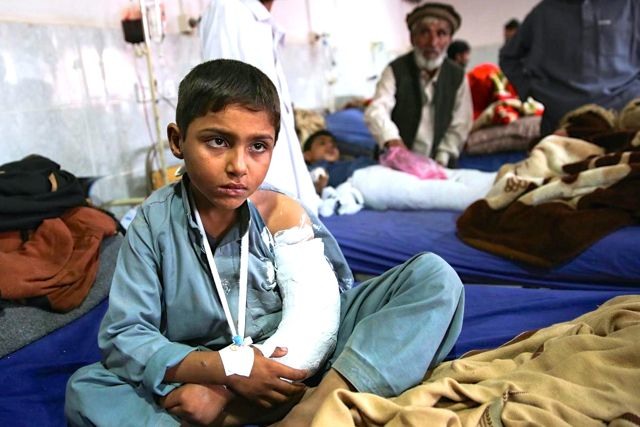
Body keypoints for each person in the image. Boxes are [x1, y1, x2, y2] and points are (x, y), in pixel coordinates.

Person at [64, 59, 465, 426]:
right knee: (87, 389)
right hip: (203, 363)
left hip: (303, 367)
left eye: (258, 146)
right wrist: (227, 371)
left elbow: (323, 317)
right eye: (217, 141)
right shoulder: (154, 223)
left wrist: (227, 388)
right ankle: (259, 405)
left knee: (434, 276)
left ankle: (313, 408)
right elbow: (124, 335)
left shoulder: (281, 212)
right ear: (177, 140)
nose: (239, 165)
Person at [199, 0, 319, 212]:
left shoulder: (261, 20)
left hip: (283, 192)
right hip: (256, 194)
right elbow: (223, 112)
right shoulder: (228, 10)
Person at [499, 0, 640, 136]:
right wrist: (529, 89)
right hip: (561, 121)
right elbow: (509, 57)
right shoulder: (544, 12)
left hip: (624, 119)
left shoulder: (631, 6)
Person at [364, 2, 473, 168]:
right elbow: (377, 109)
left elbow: (461, 123)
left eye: (441, 33)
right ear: (412, 38)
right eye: (424, 32)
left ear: (449, 40)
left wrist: (442, 159)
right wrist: (392, 141)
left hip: (439, 164)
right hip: (394, 163)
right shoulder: (395, 70)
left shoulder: (457, 76)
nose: (433, 42)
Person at [303, 129, 497, 214]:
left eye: (333, 144)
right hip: (363, 182)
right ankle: (493, 196)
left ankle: (499, 177)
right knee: (425, 191)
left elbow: (358, 148)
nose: (330, 147)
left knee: (445, 174)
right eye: (322, 144)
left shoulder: (348, 160)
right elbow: (314, 178)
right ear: (307, 155)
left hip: (377, 169)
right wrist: (318, 185)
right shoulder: (313, 169)